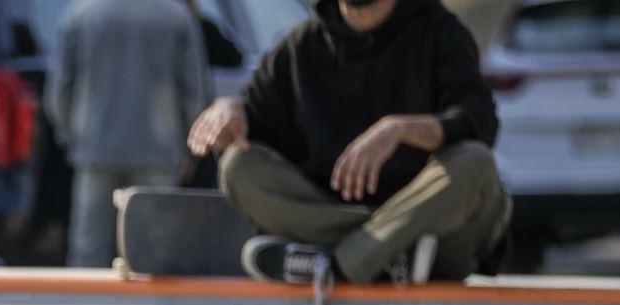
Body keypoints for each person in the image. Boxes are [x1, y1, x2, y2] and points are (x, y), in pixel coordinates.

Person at [187, 0, 509, 289]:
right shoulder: (301, 46)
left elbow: (479, 122)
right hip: (349, 224)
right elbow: (252, 126)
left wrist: (399, 129)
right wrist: (229, 112)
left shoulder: (440, 31)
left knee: (475, 164)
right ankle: (380, 257)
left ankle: (338, 266)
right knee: (239, 165)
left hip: (432, 239)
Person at [46, 0, 211, 267]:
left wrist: (70, 136)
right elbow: (193, 88)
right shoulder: (175, 15)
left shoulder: (80, 13)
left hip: (95, 147)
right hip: (159, 150)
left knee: (89, 246)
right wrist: (190, 149)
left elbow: (60, 89)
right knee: (156, 248)